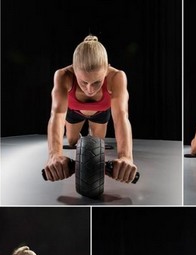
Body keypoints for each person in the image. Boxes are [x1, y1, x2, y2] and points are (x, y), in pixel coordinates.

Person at [43, 35, 138, 184]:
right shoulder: (63, 76)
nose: (89, 89)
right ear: (74, 69)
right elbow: (57, 115)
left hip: (100, 114)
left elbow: (121, 117)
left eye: (97, 82)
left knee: (96, 147)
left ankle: (90, 137)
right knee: (73, 142)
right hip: (74, 113)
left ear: (106, 69)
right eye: (83, 82)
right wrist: (54, 155)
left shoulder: (117, 77)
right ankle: (79, 137)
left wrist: (126, 157)